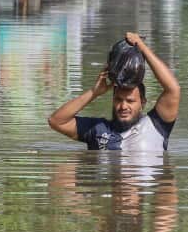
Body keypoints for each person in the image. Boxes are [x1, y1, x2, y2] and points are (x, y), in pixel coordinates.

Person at [48, 32, 180, 151]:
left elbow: (173, 89)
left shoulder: (156, 125)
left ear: (143, 103)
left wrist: (142, 47)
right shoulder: (98, 129)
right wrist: (94, 92)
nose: (123, 106)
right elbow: (56, 121)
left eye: (130, 101)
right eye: (118, 100)